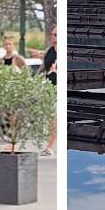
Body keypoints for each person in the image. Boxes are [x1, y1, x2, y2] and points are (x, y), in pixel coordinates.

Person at [42, 25, 58, 155]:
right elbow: (44, 68)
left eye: (57, 35)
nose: (54, 37)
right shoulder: (49, 51)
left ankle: (50, 147)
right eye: (53, 34)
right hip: (49, 89)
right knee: (50, 119)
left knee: (54, 119)